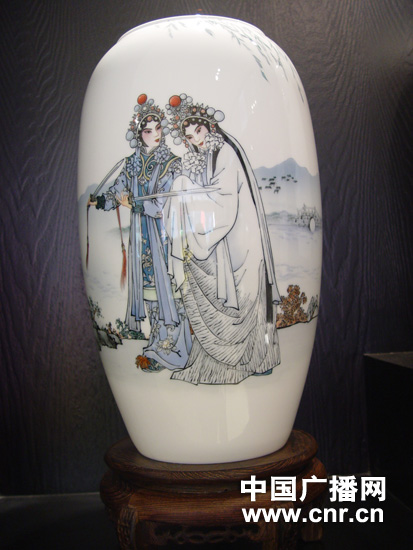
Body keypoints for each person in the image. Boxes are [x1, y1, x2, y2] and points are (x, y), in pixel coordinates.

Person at [163, 94, 281, 385]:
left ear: (210, 126)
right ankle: (228, 361)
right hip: (225, 238)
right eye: (191, 137)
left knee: (248, 297)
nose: (197, 139)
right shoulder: (207, 157)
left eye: (199, 130)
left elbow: (223, 202)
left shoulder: (225, 152)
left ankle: (258, 359)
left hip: (242, 240)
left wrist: (185, 190)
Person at [88, 94, 191, 372]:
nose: (154, 134)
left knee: (169, 292)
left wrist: (133, 203)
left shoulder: (171, 163)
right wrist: (103, 201)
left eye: (158, 128)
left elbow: (162, 205)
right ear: (138, 135)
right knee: (151, 295)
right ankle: (156, 347)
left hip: (164, 237)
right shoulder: (131, 164)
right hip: (141, 238)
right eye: (147, 130)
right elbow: (118, 191)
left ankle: (174, 351)